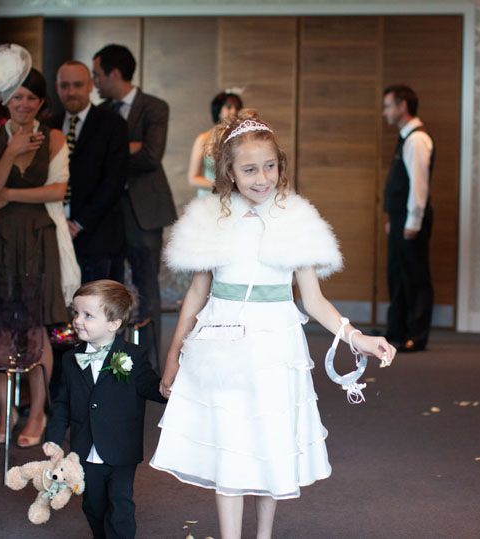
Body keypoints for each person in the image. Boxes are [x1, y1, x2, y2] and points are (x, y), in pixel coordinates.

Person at [150, 110, 396, 539]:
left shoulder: (295, 219)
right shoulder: (212, 217)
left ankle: (263, 535)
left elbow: (314, 300)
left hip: (274, 345)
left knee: (267, 439)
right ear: (229, 171)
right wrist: (173, 356)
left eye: (270, 166)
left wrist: (359, 337)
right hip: (220, 342)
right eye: (249, 169)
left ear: (280, 165)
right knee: (230, 441)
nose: (261, 178)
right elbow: (195, 295)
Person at [0, 55, 79, 449]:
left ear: (42, 103)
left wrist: (10, 193)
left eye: (32, 98)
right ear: (5, 100)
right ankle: (5, 409)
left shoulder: (55, 138)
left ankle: (36, 412)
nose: (24, 104)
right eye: (17, 97)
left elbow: (56, 191)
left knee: (36, 331)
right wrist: (11, 152)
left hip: (38, 238)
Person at [44, 280, 165, 539]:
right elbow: (62, 402)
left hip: (121, 449)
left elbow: (149, 387)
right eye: (76, 313)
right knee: (93, 505)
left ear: (114, 324)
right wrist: (54, 438)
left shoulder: (133, 355)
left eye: (88, 315)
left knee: (121, 504)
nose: (78, 320)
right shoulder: (69, 359)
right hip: (85, 448)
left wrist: (168, 389)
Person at [94, 44, 176, 372]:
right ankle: (113, 364)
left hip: (144, 211)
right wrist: (125, 148)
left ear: (115, 74)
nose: (94, 82)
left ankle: (150, 366)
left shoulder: (155, 107)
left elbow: (151, 156)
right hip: (109, 211)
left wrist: (111, 153)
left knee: (147, 287)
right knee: (111, 287)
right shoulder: (99, 112)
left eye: (97, 75)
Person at [53, 60, 129, 284]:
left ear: (89, 86)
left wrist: (78, 222)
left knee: (99, 307)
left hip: (99, 234)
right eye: (65, 86)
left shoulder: (113, 124)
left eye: (77, 85)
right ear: (57, 87)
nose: (71, 92)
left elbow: (114, 181)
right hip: (55, 229)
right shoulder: (49, 125)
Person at [381, 84, 435, 352]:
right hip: (400, 217)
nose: (385, 112)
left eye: (388, 106)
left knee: (414, 277)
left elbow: (419, 185)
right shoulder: (405, 137)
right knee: (398, 275)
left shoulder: (417, 139)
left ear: (403, 106)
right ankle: (397, 330)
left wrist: (412, 222)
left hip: (411, 221)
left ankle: (417, 334)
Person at [187, 90, 243, 198]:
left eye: (237, 107)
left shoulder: (242, 138)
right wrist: (220, 187)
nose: (234, 111)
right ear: (218, 110)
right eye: (229, 107)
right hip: (210, 196)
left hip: (237, 196)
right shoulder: (203, 139)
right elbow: (193, 178)